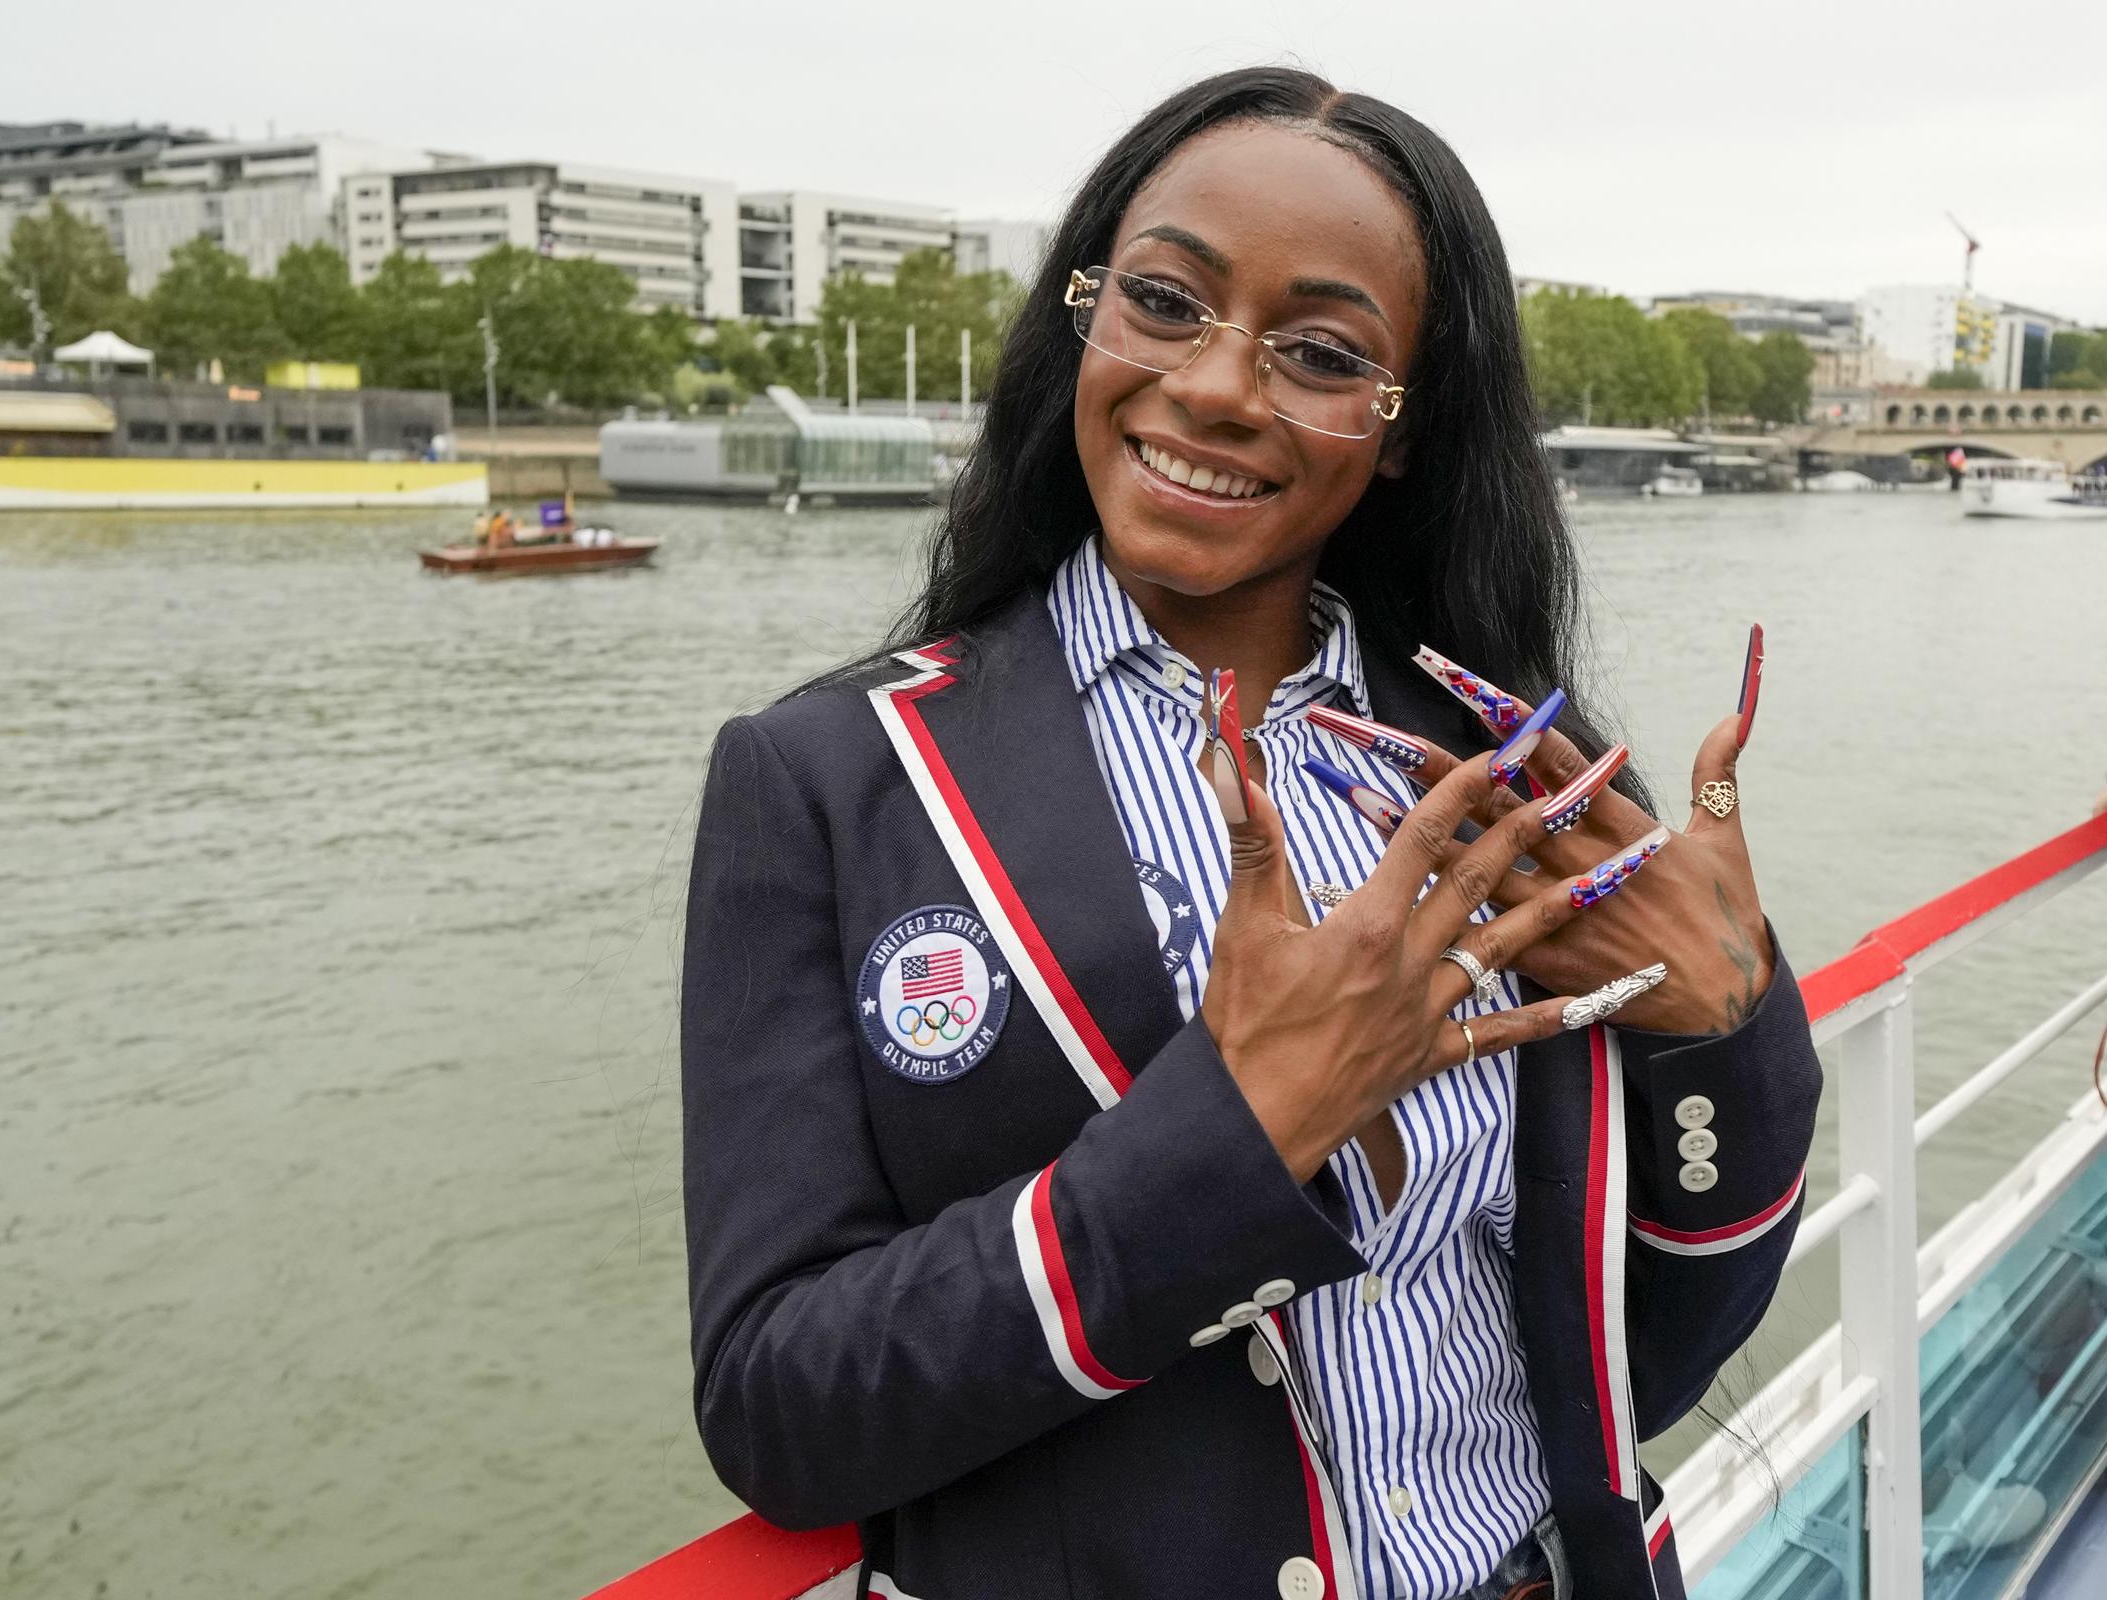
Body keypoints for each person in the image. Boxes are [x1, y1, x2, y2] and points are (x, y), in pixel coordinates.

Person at [681, 67, 1820, 1600]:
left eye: (1324, 353)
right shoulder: (830, 777)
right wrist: (1239, 1132)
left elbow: (1641, 1352)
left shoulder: (1504, 764)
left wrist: (1725, 1032)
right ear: (1082, 320)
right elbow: (777, 1405)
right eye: (1163, 299)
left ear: (1403, 431)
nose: (1218, 385)